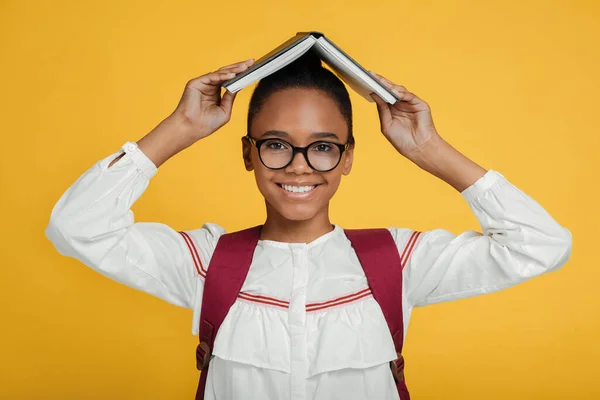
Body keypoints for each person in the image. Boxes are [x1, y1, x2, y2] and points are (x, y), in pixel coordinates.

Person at [45, 51, 572, 400]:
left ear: (347, 158)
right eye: (276, 144)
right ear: (249, 154)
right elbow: (77, 227)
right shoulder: (206, 264)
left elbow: (542, 245)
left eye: (322, 147)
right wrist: (179, 128)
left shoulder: (399, 262)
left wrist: (430, 150)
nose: (299, 165)